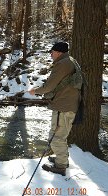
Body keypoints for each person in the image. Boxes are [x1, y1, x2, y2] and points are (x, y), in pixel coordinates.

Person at [28, 42, 81, 176]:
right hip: (69, 104)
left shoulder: (62, 64)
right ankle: (61, 158)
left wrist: (35, 91)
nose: (51, 54)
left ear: (58, 52)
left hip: (63, 106)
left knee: (56, 136)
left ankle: (61, 166)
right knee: (61, 134)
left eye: (52, 52)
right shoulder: (70, 61)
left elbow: (50, 86)